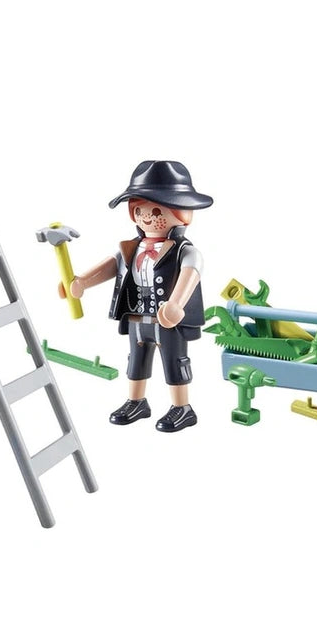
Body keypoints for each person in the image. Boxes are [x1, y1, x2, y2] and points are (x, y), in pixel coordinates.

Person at [68, 160, 212, 432]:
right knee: (136, 361)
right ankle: (136, 402)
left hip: (167, 320)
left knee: (175, 362)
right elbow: (111, 266)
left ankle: (182, 408)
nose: (147, 217)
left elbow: (190, 274)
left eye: (156, 210)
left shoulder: (186, 251)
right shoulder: (132, 247)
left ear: (181, 212)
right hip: (135, 316)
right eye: (139, 210)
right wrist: (83, 281)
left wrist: (176, 304)